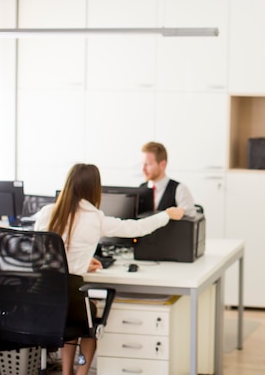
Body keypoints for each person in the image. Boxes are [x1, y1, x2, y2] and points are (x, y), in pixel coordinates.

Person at [34, 163, 183, 375]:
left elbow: (44, 256)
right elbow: (136, 228)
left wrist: (81, 263)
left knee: (72, 315)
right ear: (93, 188)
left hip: (41, 299)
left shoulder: (47, 213)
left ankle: (66, 373)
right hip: (70, 302)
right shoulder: (93, 217)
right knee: (86, 317)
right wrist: (166, 214)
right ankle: (80, 374)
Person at [140, 141, 197, 217]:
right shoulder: (141, 188)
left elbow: (191, 216)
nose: (143, 169)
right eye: (142, 164)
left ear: (162, 164)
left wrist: (182, 212)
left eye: (148, 164)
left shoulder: (179, 189)